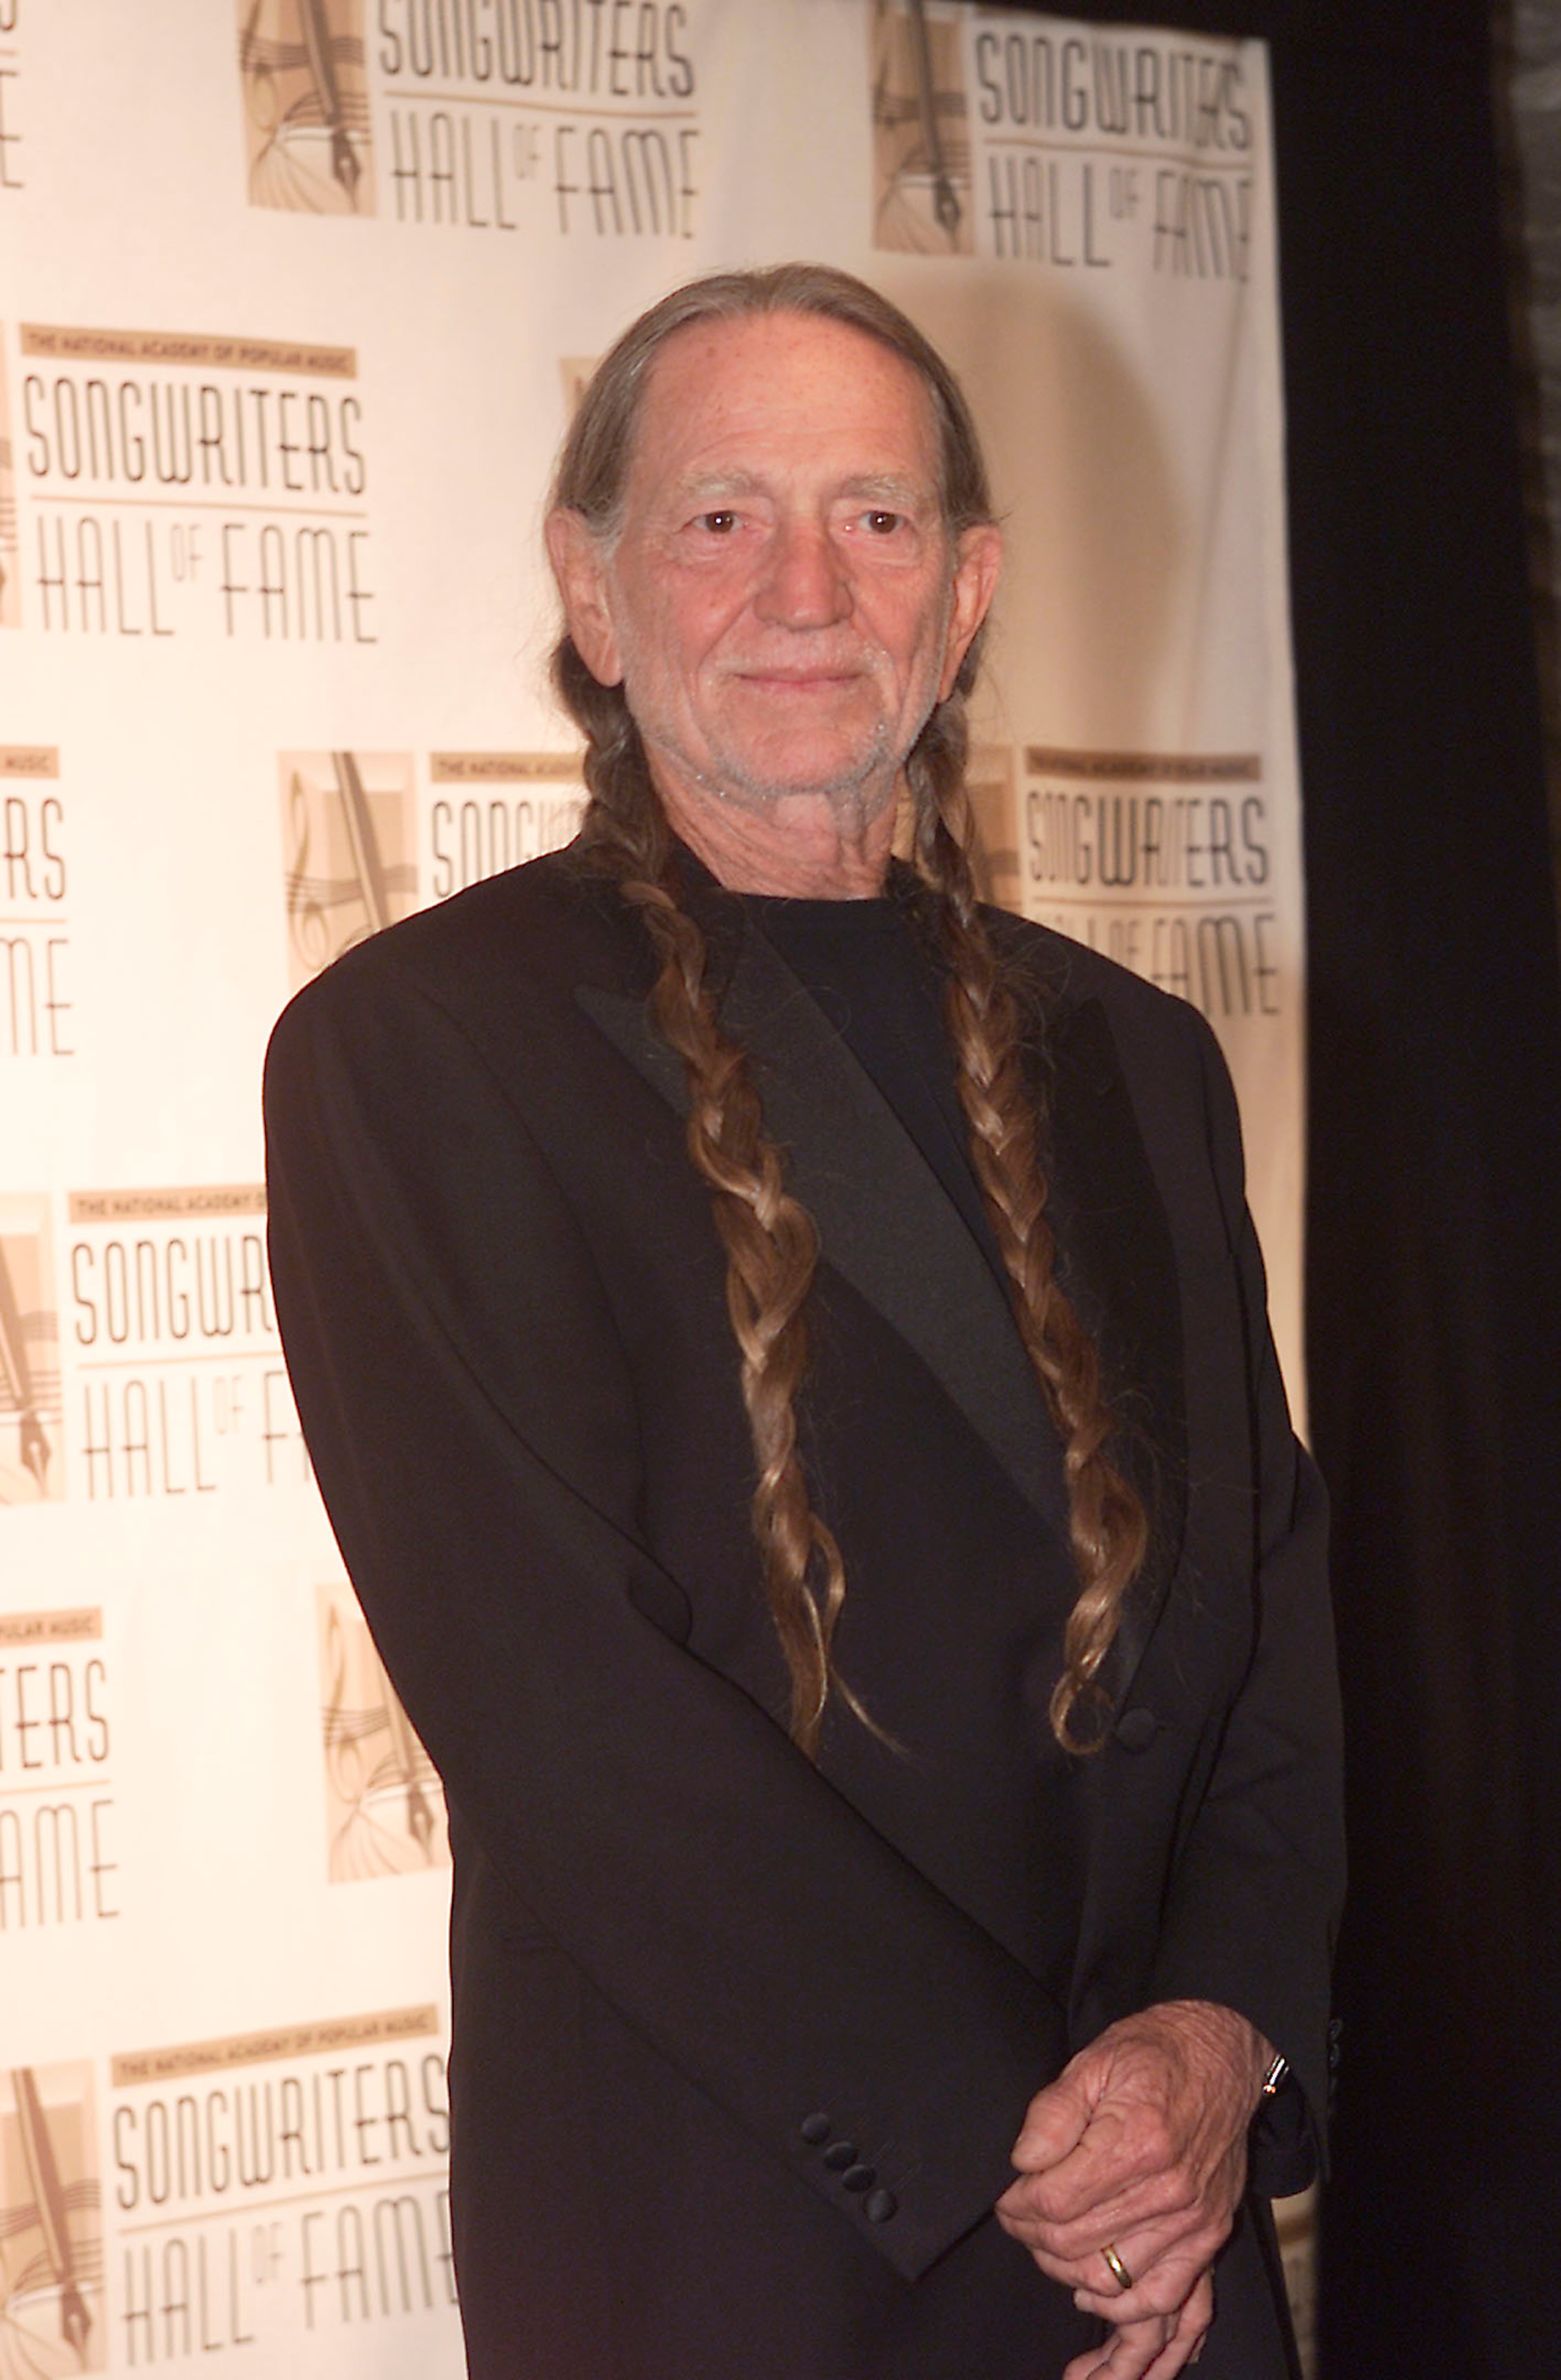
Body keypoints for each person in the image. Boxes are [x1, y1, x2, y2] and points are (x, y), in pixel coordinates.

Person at [264, 264, 1343, 2380]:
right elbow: (565, 1705)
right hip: (746, 2245)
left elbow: (1272, 1621)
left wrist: (1219, 2043)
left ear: (967, 591)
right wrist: (1046, 2159)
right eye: (719, 516)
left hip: (1169, 2240)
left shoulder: (1137, 1055)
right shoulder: (421, 1051)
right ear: (593, 593)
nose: (806, 590)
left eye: (875, 516)